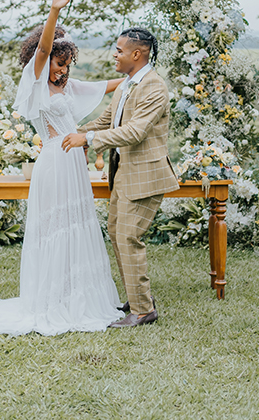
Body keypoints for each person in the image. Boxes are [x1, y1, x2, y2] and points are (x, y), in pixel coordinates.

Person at [0, 0, 124, 336]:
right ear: (45, 58)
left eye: (67, 64)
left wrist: (135, 77)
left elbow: (104, 86)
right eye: (58, 63)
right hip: (53, 161)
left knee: (77, 225)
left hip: (73, 162)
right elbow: (45, 47)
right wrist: (55, 9)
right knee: (55, 227)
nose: (63, 70)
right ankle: (51, 300)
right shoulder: (34, 79)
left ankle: (75, 295)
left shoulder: (64, 85)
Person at [62, 27, 179, 326]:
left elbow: (135, 131)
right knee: (117, 233)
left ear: (136, 54)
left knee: (128, 237)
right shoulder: (128, 83)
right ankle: (138, 298)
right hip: (124, 174)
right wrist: (73, 132)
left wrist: (87, 140)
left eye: (119, 50)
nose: (114, 54)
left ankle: (143, 311)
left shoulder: (154, 87)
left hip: (145, 176)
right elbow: (107, 120)